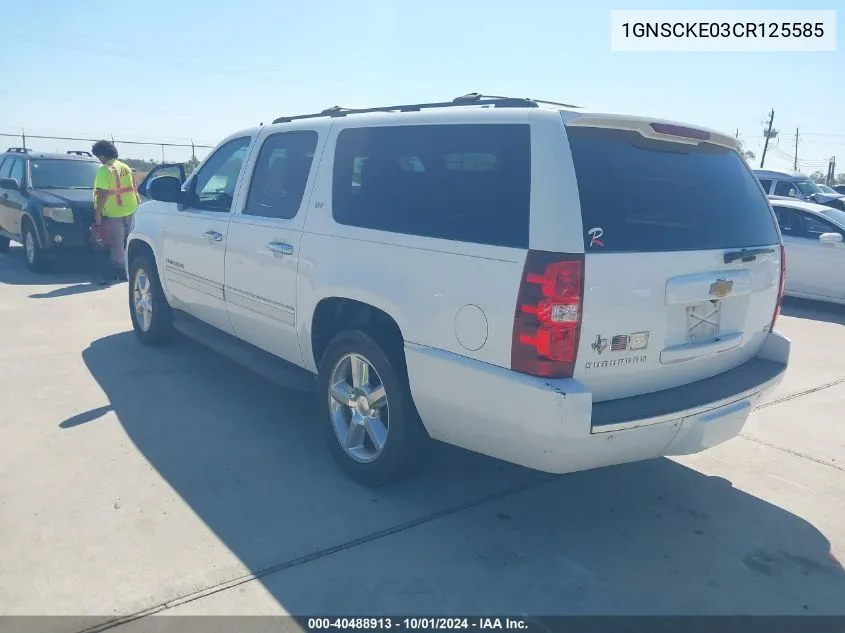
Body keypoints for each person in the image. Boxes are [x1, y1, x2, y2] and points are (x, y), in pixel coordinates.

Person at [90, 140, 140, 284]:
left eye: (98, 156)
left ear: (102, 154)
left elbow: (102, 194)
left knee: (116, 244)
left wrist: (98, 214)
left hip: (114, 212)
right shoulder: (125, 167)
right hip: (130, 209)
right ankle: (131, 268)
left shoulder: (105, 170)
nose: (99, 159)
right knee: (128, 242)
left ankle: (120, 271)